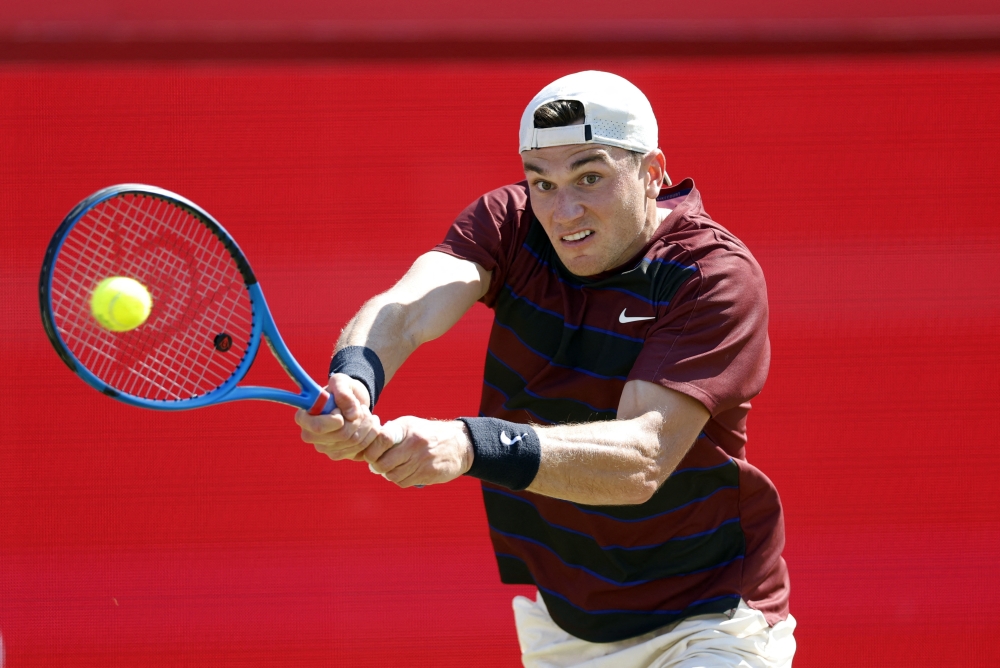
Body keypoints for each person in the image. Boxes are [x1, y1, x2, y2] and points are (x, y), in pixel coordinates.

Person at [296, 71, 796, 667]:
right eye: (543, 182)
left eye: (590, 177)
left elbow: (641, 459)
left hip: (709, 619)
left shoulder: (711, 275)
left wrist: (469, 444)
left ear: (653, 171)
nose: (564, 210)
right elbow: (407, 310)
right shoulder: (510, 222)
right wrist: (356, 376)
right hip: (565, 627)